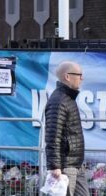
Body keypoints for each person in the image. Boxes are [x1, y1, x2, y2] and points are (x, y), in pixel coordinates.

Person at [44, 61, 88, 196]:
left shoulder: (68, 98)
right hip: (65, 165)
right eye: (79, 75)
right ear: (67, 76)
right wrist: (55, 166)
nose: (82, 78)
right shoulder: (59, 101)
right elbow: (53, 135)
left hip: (75, 164)